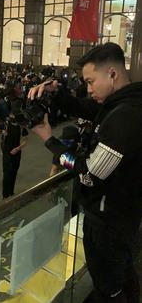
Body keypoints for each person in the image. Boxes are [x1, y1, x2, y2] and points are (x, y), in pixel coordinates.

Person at [29, 43, 142, 303]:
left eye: (91, 82)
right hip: (122, 214)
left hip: (108, 221)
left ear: (112, 74)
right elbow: (86, 109)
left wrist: (50, 141)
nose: (88, 90)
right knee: (122, 272)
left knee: (108, 283)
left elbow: (88, 174)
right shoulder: (124, 102)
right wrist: (56, 93)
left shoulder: (126, 118)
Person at [0, 101, 28, 199]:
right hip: (6, 152)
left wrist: (18, 148)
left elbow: (25, 140)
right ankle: (5, 195)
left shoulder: (21, 127)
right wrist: (1, 131)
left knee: (14, 172)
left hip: (17, 152)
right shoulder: (5, 124)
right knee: (7, 174)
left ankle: (11, 192)